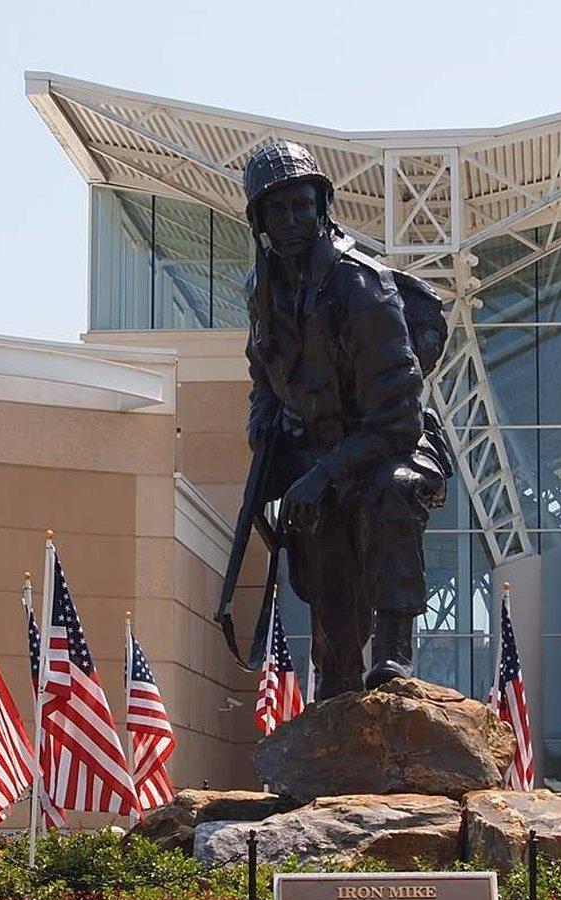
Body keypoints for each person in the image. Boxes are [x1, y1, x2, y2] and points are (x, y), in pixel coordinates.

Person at [242, 141, 447, 700]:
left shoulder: (362, 285)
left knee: (391, 494)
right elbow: (263, 371)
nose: (290, 221)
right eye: (275, 210)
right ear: (258, 220)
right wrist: (262, 422)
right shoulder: (262, 291)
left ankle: (393, 654)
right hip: (318, 455)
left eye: (301, 206)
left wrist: (325, 472)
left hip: (388, 446)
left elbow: (399, 416)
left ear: (321, 207)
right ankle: (337, 684)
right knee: (324, 552)